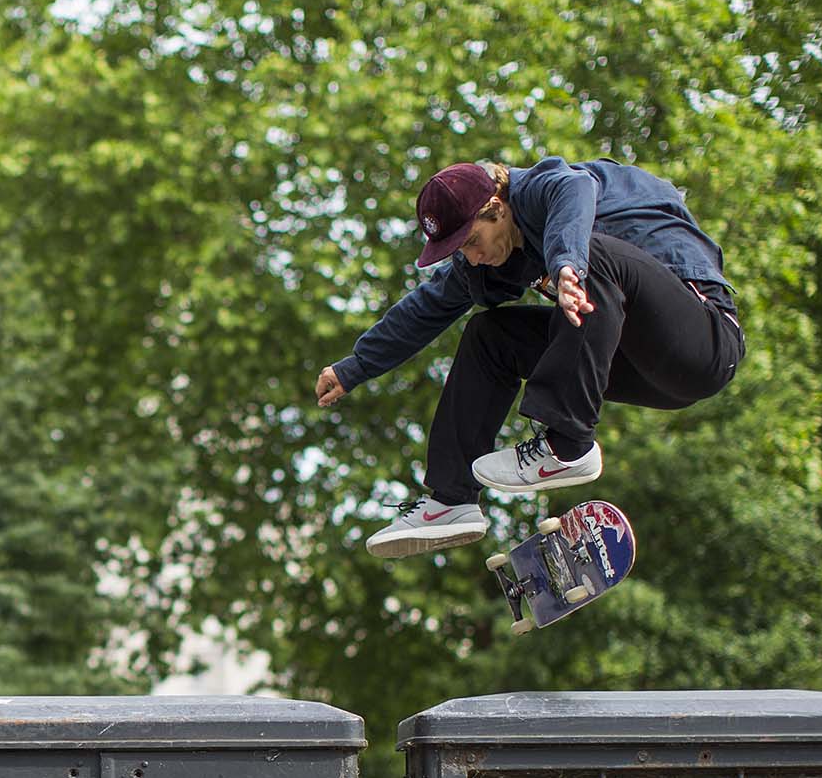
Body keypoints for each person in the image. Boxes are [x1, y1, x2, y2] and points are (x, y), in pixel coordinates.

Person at [317, 157, 745, 559]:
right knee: (490, 335)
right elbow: (426, 307)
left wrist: (565, 266)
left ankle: (566, 444)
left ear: (497, 208)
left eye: (472, 241)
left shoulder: (546, 189)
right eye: (461, 251)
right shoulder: (487, 260)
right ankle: (450, 500)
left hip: (702, 343)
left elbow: (575, 190)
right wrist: (355, 367)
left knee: (588, 254)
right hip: (630, 364)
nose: (473, 256)